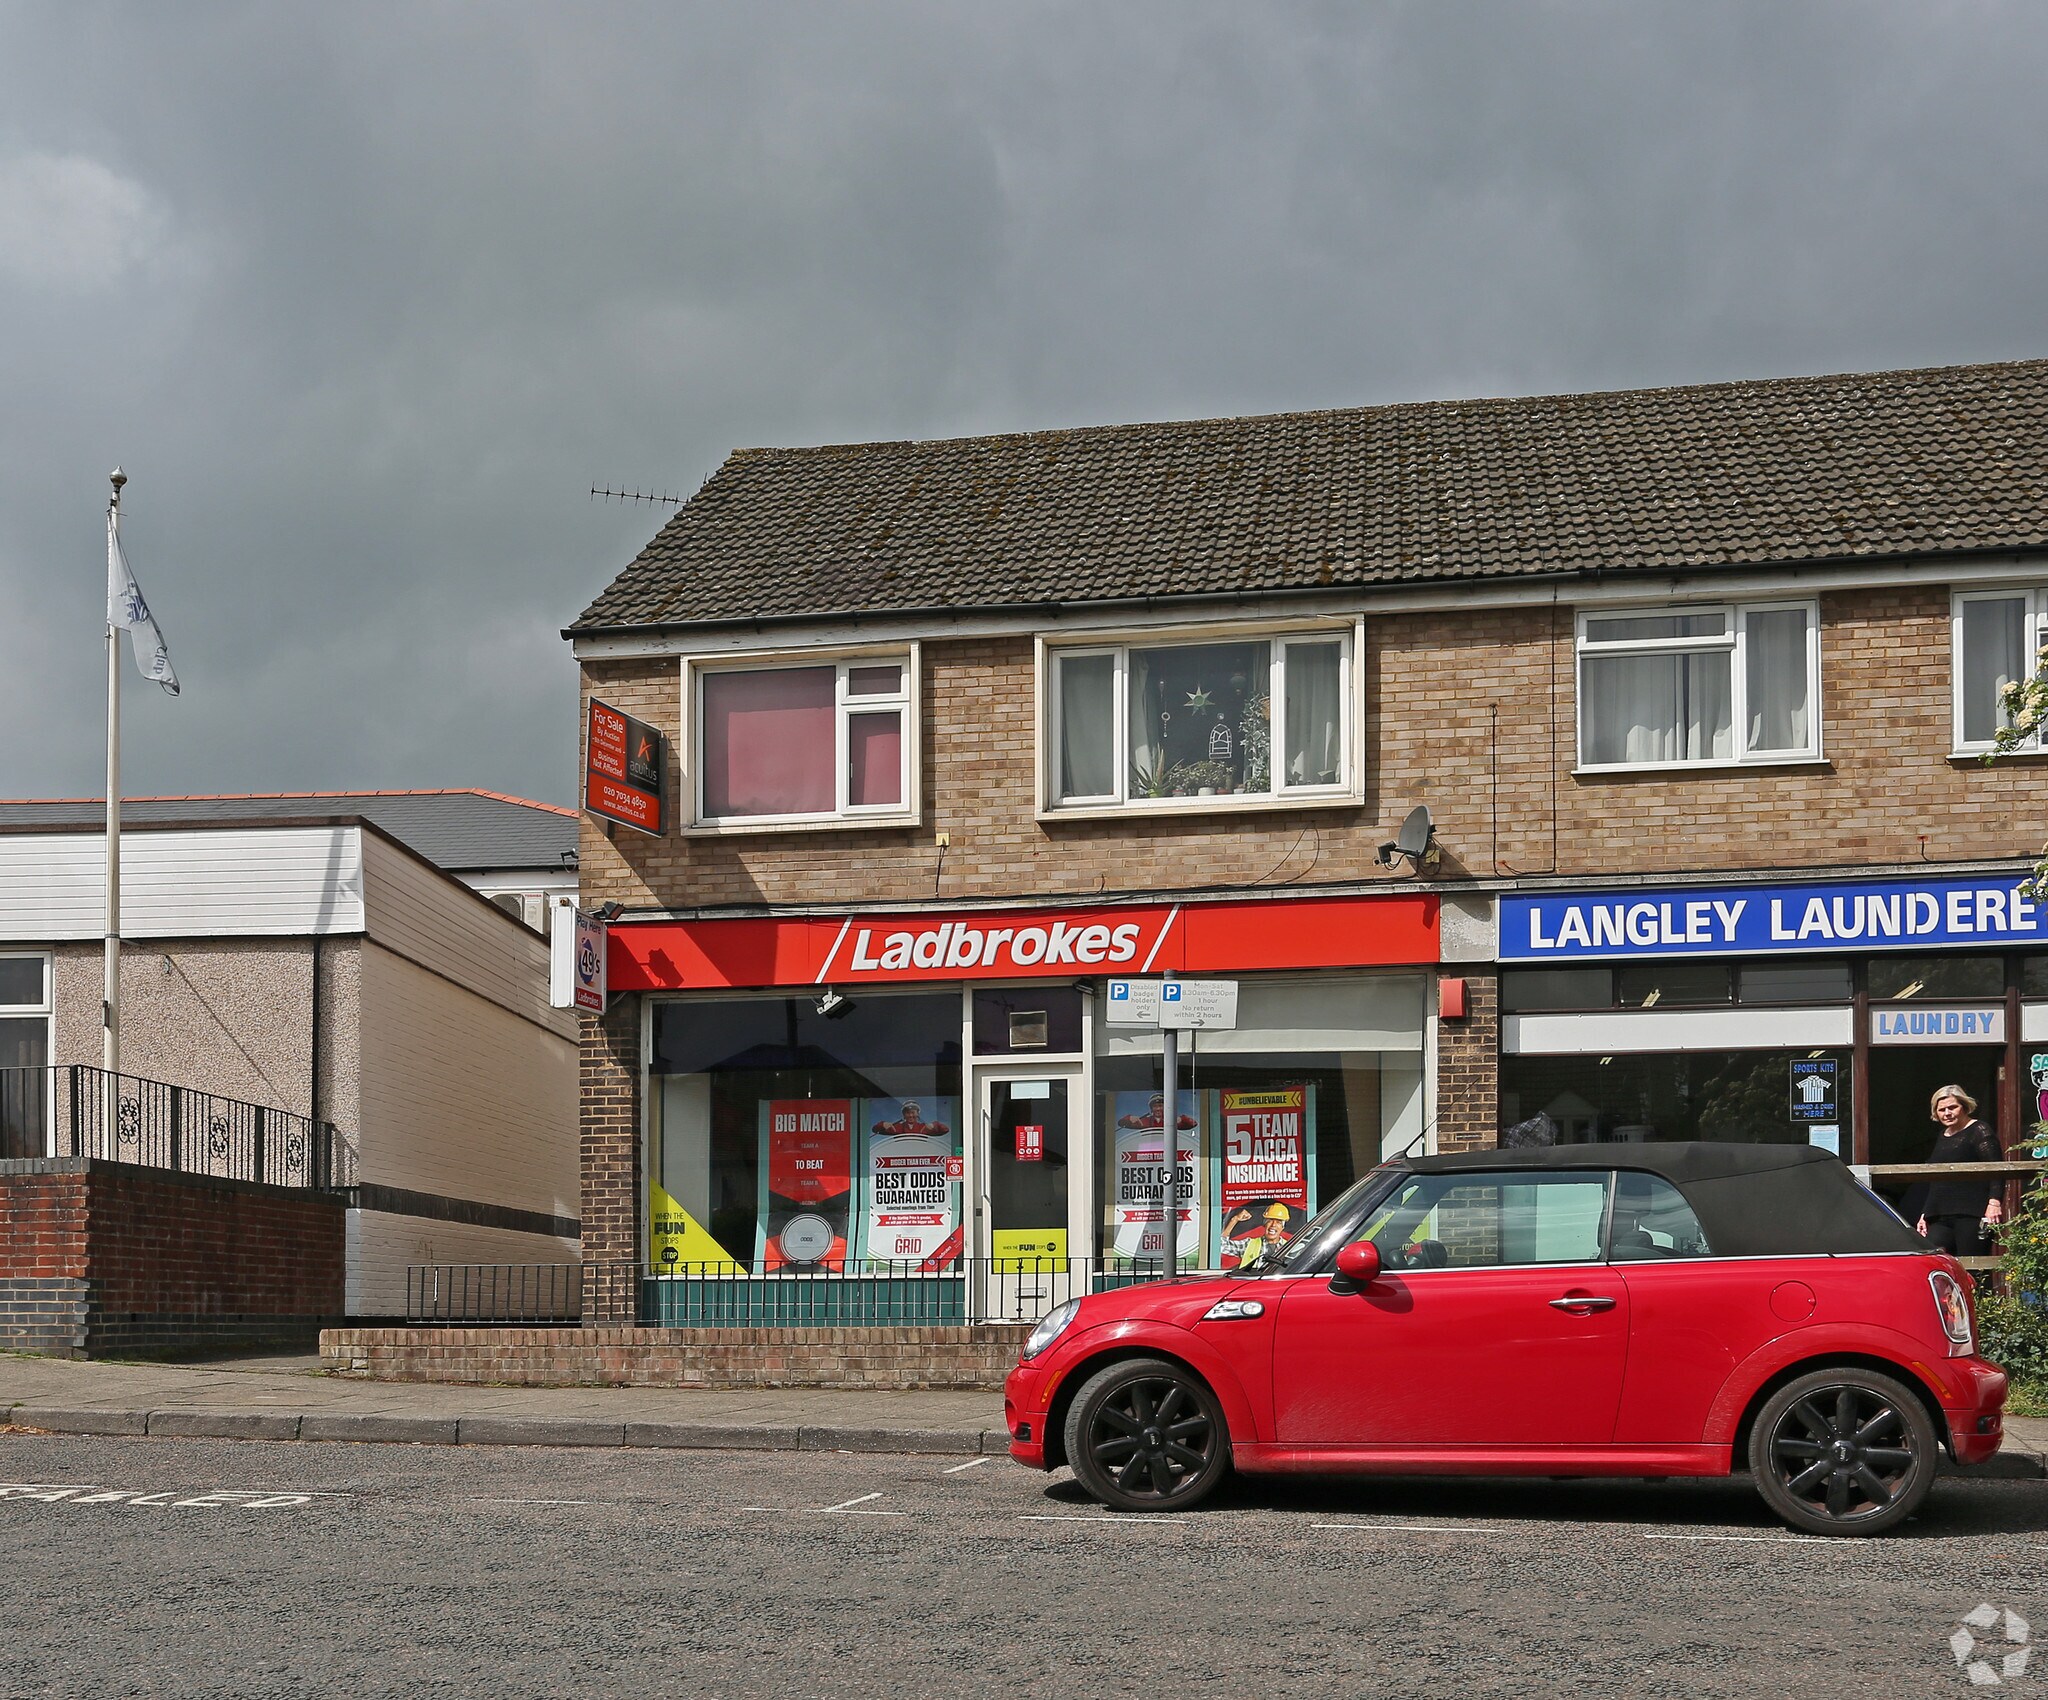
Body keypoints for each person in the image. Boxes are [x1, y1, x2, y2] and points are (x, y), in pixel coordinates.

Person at [1913, 1084, 2004, 1255]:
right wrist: (1926, 1213)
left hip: (1972, 1212)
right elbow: (1936, 1180)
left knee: (1972, 1263)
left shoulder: (1979, 1130)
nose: (1947, 1113)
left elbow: (1996, 1168)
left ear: (1964, 1106)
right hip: (1940, 1215)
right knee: (1935, 1258)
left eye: (1952, 1107)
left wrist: (1994, 1202)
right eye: (1942, 1110)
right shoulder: (1942, 1137)